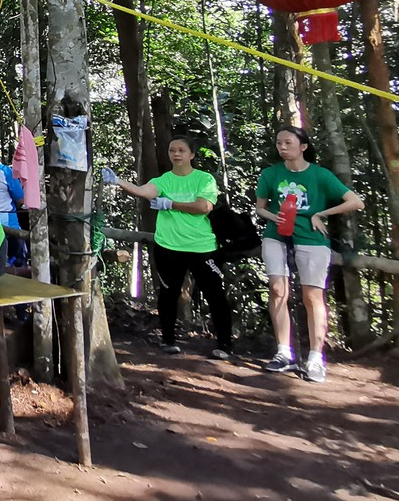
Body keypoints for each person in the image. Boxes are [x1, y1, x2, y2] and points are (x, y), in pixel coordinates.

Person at [253, 125, 363, 382]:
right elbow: (260, 208)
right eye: (279, 142)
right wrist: (275, 216)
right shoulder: (270, 174)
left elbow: (355, 201)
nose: (282, 147)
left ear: (303, 146)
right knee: (277, 289)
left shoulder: (320, 175)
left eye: (288, 143)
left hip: (311, 238)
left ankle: (315, 357)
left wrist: (320, 213)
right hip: (276, 236)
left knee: (312, 295)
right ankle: (283, 351)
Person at [107, 134, 232, 358]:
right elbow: (145, 190)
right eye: (172, 150)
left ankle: (224, 343)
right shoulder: (164, 179)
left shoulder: (204, 180)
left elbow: (204, 206)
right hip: (169, 246)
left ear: (192, 154)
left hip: (202, 247)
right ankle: (168, 340)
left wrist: (171, 204)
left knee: (215, 295)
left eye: (181, 150)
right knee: (168, 293)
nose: (176, 154)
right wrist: (118, 181)